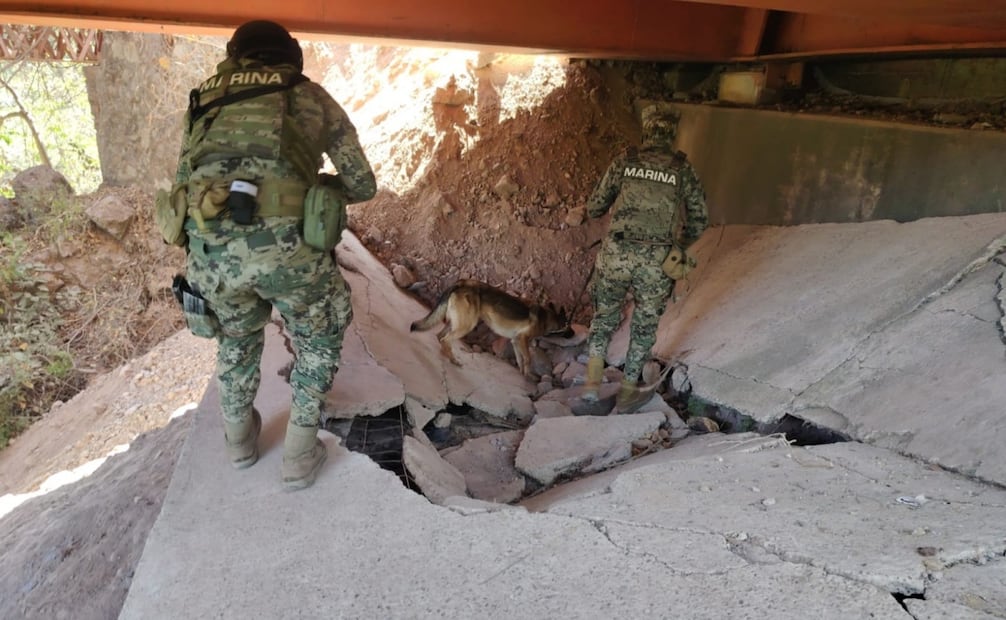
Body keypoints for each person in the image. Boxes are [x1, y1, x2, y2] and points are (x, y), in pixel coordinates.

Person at [172, 20, 376, 489]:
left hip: (212, 252)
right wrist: (314, 189)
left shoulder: (203, 100)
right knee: (319, 338)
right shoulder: (310, 96)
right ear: (290, 56)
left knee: (236, 340)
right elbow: (362, 183)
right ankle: (300, 455)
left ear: (236, 54)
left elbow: (186, 178)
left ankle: (240, 443)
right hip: (291, 253)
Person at [581, 103, 708, 413]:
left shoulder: (627, 160)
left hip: (616, 255)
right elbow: (699, 219)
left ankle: (590, 387)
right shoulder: (681, 168)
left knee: (604, 318)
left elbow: (595, 206)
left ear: (647, 129)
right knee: (644, 326)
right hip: (656, 261)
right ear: (672, 133)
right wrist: (679, 244)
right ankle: (627, 394)